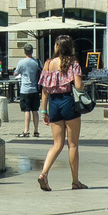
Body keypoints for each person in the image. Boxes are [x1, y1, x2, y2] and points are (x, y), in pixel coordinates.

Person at [37, 35, 86, 191]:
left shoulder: (48, 63)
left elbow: (44, 90)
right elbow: (78, 86)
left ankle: (44, 174)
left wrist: (44, 111)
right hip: (68, 102)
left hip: (53, 104)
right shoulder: (73, 63)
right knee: (72, 145)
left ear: (57, 47)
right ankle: (75, 181)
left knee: (57, 144)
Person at [13, 44, 42, 137]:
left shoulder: (21, 62)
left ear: (24, 52)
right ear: (32, 51)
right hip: (35, 89)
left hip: (25, 90)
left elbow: (15, 73)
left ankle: (26, 130)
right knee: (35, 110)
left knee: (26, 110)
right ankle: (36, 131)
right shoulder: (37, 61)